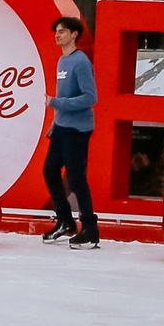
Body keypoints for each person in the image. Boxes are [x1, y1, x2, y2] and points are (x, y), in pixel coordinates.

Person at [43, 15, 97, 248]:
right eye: (56, 31)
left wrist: (56, 103)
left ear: (74, 34)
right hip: (62, 127)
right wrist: (54, 124)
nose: (57, 35)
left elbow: (90, 97)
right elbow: (64, 98)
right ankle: (65, 220)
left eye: (62, 31)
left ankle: (90, 229)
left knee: (76, 179)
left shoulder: (81, 62)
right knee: (49, 171)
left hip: (77, 129)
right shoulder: (62, 61)